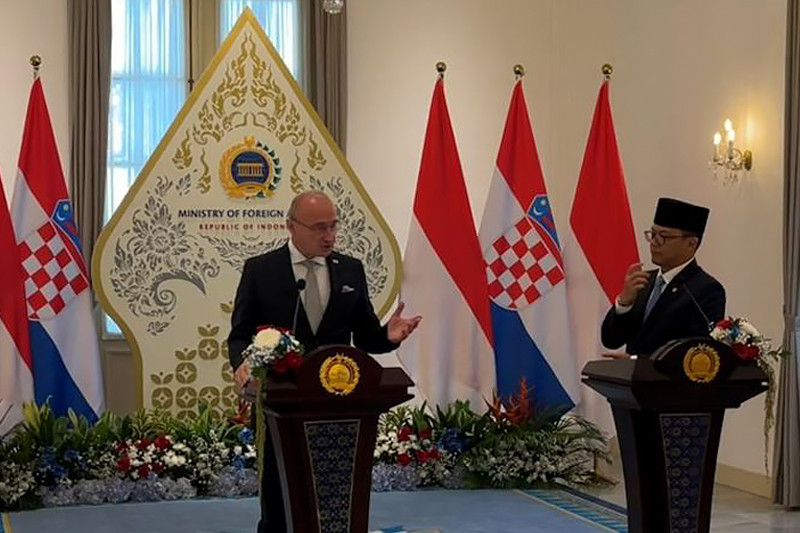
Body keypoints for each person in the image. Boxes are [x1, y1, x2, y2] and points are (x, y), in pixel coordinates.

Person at [228, 190, 421, 533]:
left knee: (334, 489)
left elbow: (363, 337)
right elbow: (241, 334)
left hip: (337, 403)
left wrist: (387, 336)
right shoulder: (261, 270)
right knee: (279, 490)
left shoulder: (350, 270)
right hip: (280, 403)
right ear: (291, 226)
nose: (329, 236)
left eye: (333, 226)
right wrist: (242, 368)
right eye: (319, 227)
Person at [601, 197, 725, 358]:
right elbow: (611, 340)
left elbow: (698, 354)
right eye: (653, 234)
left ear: (691, 243)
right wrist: (624, 303)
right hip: (630, 381)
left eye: (664, 236)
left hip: (670, 383)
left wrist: (636, 361)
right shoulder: (644, 281)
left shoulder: (706, 289)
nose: (654, 242)